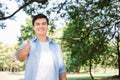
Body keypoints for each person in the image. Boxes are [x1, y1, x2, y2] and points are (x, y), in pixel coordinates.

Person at [15, 13, 67, 80]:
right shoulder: (28, 43)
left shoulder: (56, 47)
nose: (41, 26)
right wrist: (23, 52)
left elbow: (61, 70)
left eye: (43, 23)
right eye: (37, 24)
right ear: (33, 27)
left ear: (47, 26)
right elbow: (19, 58)